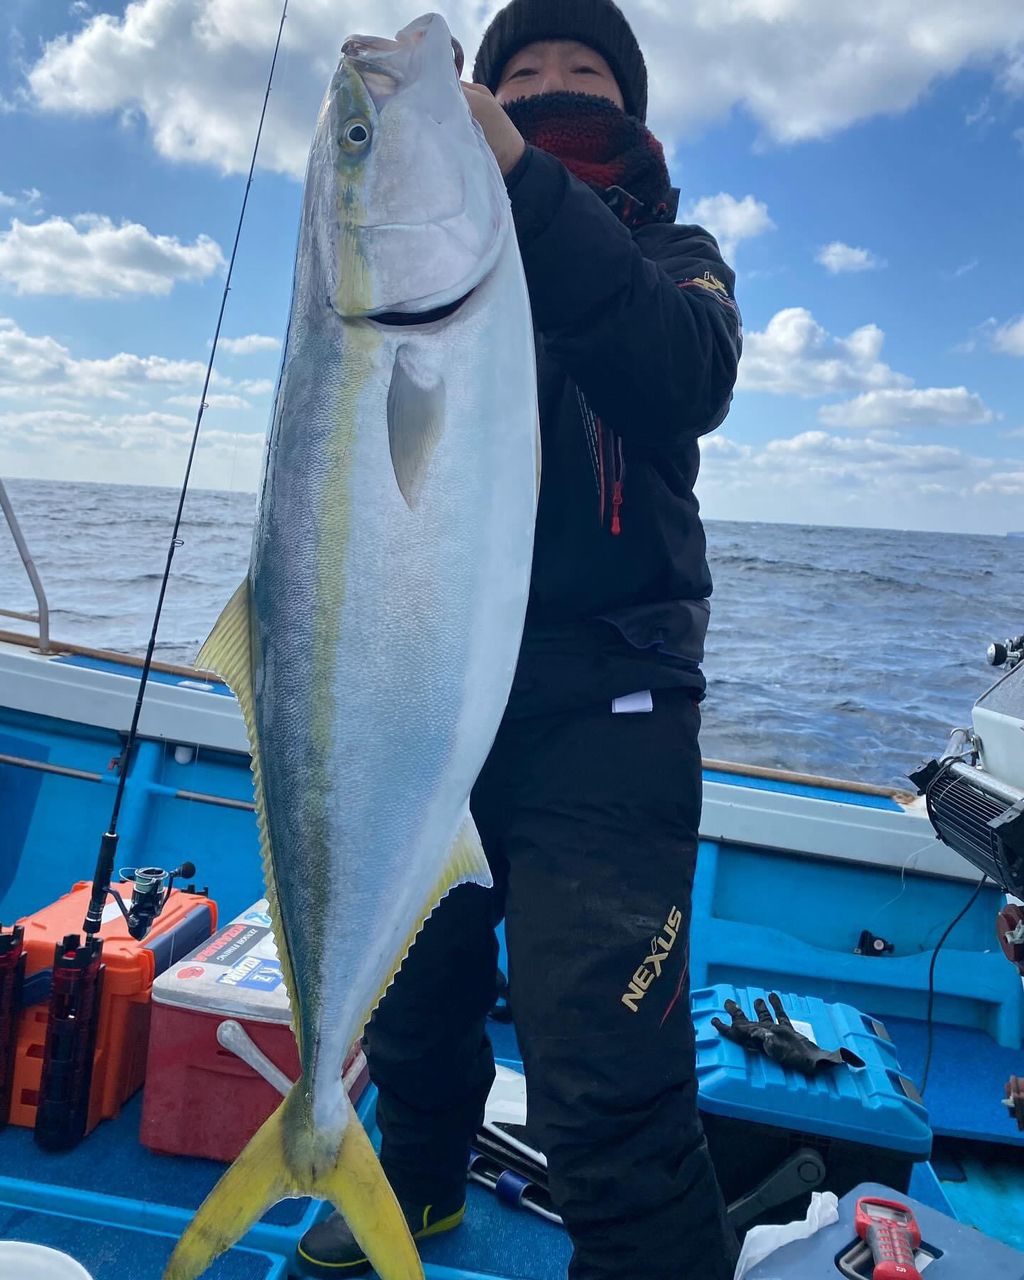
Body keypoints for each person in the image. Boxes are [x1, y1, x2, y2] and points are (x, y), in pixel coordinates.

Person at [297, 2, 742, 1277]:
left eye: (583, 71)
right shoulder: (438, 276)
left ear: (633, 108)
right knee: (421, 1009)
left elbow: (682, 378)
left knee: (603, 1067)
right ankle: (419, 1182)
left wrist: (523, 183)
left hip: (607, 707)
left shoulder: (679, 257)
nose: (549, 85)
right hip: (437, 693)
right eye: (522, 72)